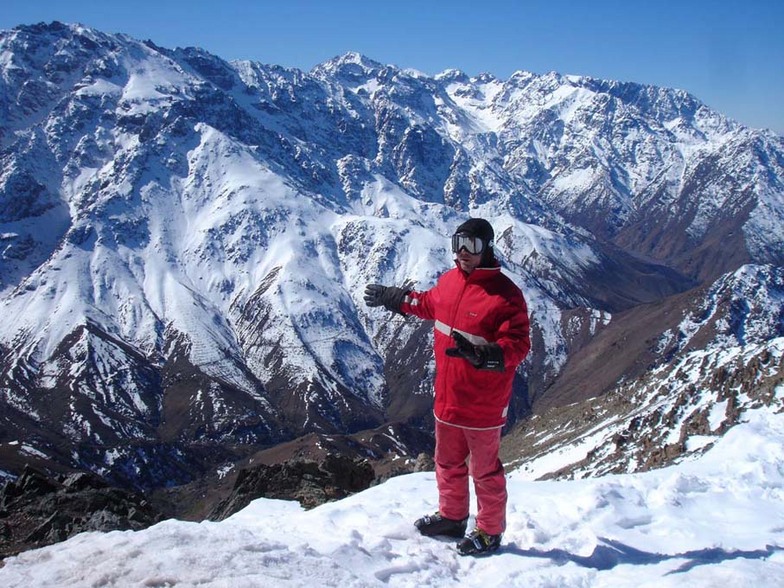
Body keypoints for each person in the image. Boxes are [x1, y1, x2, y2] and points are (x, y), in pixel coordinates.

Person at [364, 218, 531, 556]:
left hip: (483, 404)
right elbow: (426, 304)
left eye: (472, 246)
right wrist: (393, 298)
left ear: (487, 248)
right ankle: (453, 517)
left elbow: (519, 345)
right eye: (458, 244)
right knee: (447, 463)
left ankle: (489, 531)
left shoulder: (506, 297)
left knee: (484, 471)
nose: (464, 253)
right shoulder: (450, 281)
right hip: (449, 397)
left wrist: (485, 355)